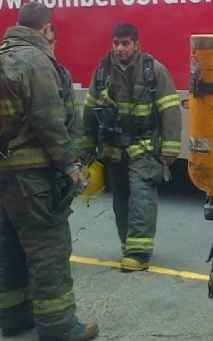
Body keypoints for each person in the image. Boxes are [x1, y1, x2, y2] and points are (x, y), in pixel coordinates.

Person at [0, 1, 98, 341]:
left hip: (1, 174)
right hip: (34, 176)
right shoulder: (35, 61)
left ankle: (14, 317)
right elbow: (49, 121)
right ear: (46, 29)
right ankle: (59, 326)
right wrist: (70, 166)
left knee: (7, 246)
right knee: (47, 247)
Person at [81, 23, 182, 272]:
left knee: (142, 197)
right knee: (121, 200)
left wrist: (170, 149)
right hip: (114, 149)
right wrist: (86, 147)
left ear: (136, 44)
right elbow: (89, 112)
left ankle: (139, 253)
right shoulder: (103, 72)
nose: (119, 48)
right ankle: (129, 246)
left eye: (125, 43)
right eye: (115, 43)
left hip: (143, 147)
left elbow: (169, 110)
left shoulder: (153, 71)